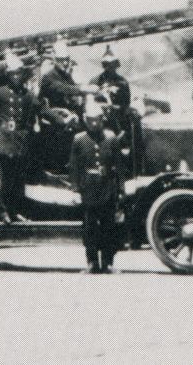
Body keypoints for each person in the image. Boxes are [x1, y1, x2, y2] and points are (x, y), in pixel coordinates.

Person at [70, 98, 126, 274]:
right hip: (88, 188)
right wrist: (75, 190)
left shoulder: (111, 139)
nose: (94, 124)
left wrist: (121, 190)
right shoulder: (79, 140)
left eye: (97, 120)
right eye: (90, 120)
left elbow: (119, 167)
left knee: (109, 227)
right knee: (90, 228)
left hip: (107, 187)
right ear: (85, 120)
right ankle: (92, 262)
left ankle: (108, 263)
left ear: (102, 120)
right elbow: (74, 168)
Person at [0, 53, 44, 224]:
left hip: (21, 140)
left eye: (19, 73)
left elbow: (40, 109)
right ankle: (4, 211)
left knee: (19, 179)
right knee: (6, 178)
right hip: (5, 139)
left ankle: (17, 211)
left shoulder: (27, 95)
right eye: (13, 74)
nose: (16, 76)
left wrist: (61, 119)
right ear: (8, 75)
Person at [38, 39, 96, 171]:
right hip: (49, 113)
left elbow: (71, 86)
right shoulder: (48, 77)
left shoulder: (65, 75)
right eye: (60, 60)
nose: (64, 62)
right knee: (64, 125)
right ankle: (60, 167)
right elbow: (62, 88)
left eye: (66, 59)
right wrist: (83, 89)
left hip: (65, 110)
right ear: (55, 60)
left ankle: (77, 164)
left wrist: (87, 89)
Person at [89, 45, 131, 135]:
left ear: (116, 65)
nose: (110, 68)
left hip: (118, 116)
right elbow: (89, 100)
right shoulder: (95, 81)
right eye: (107, 65)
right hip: (99, 116)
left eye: (112, 65)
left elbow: (126, 103)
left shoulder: (122, 82)